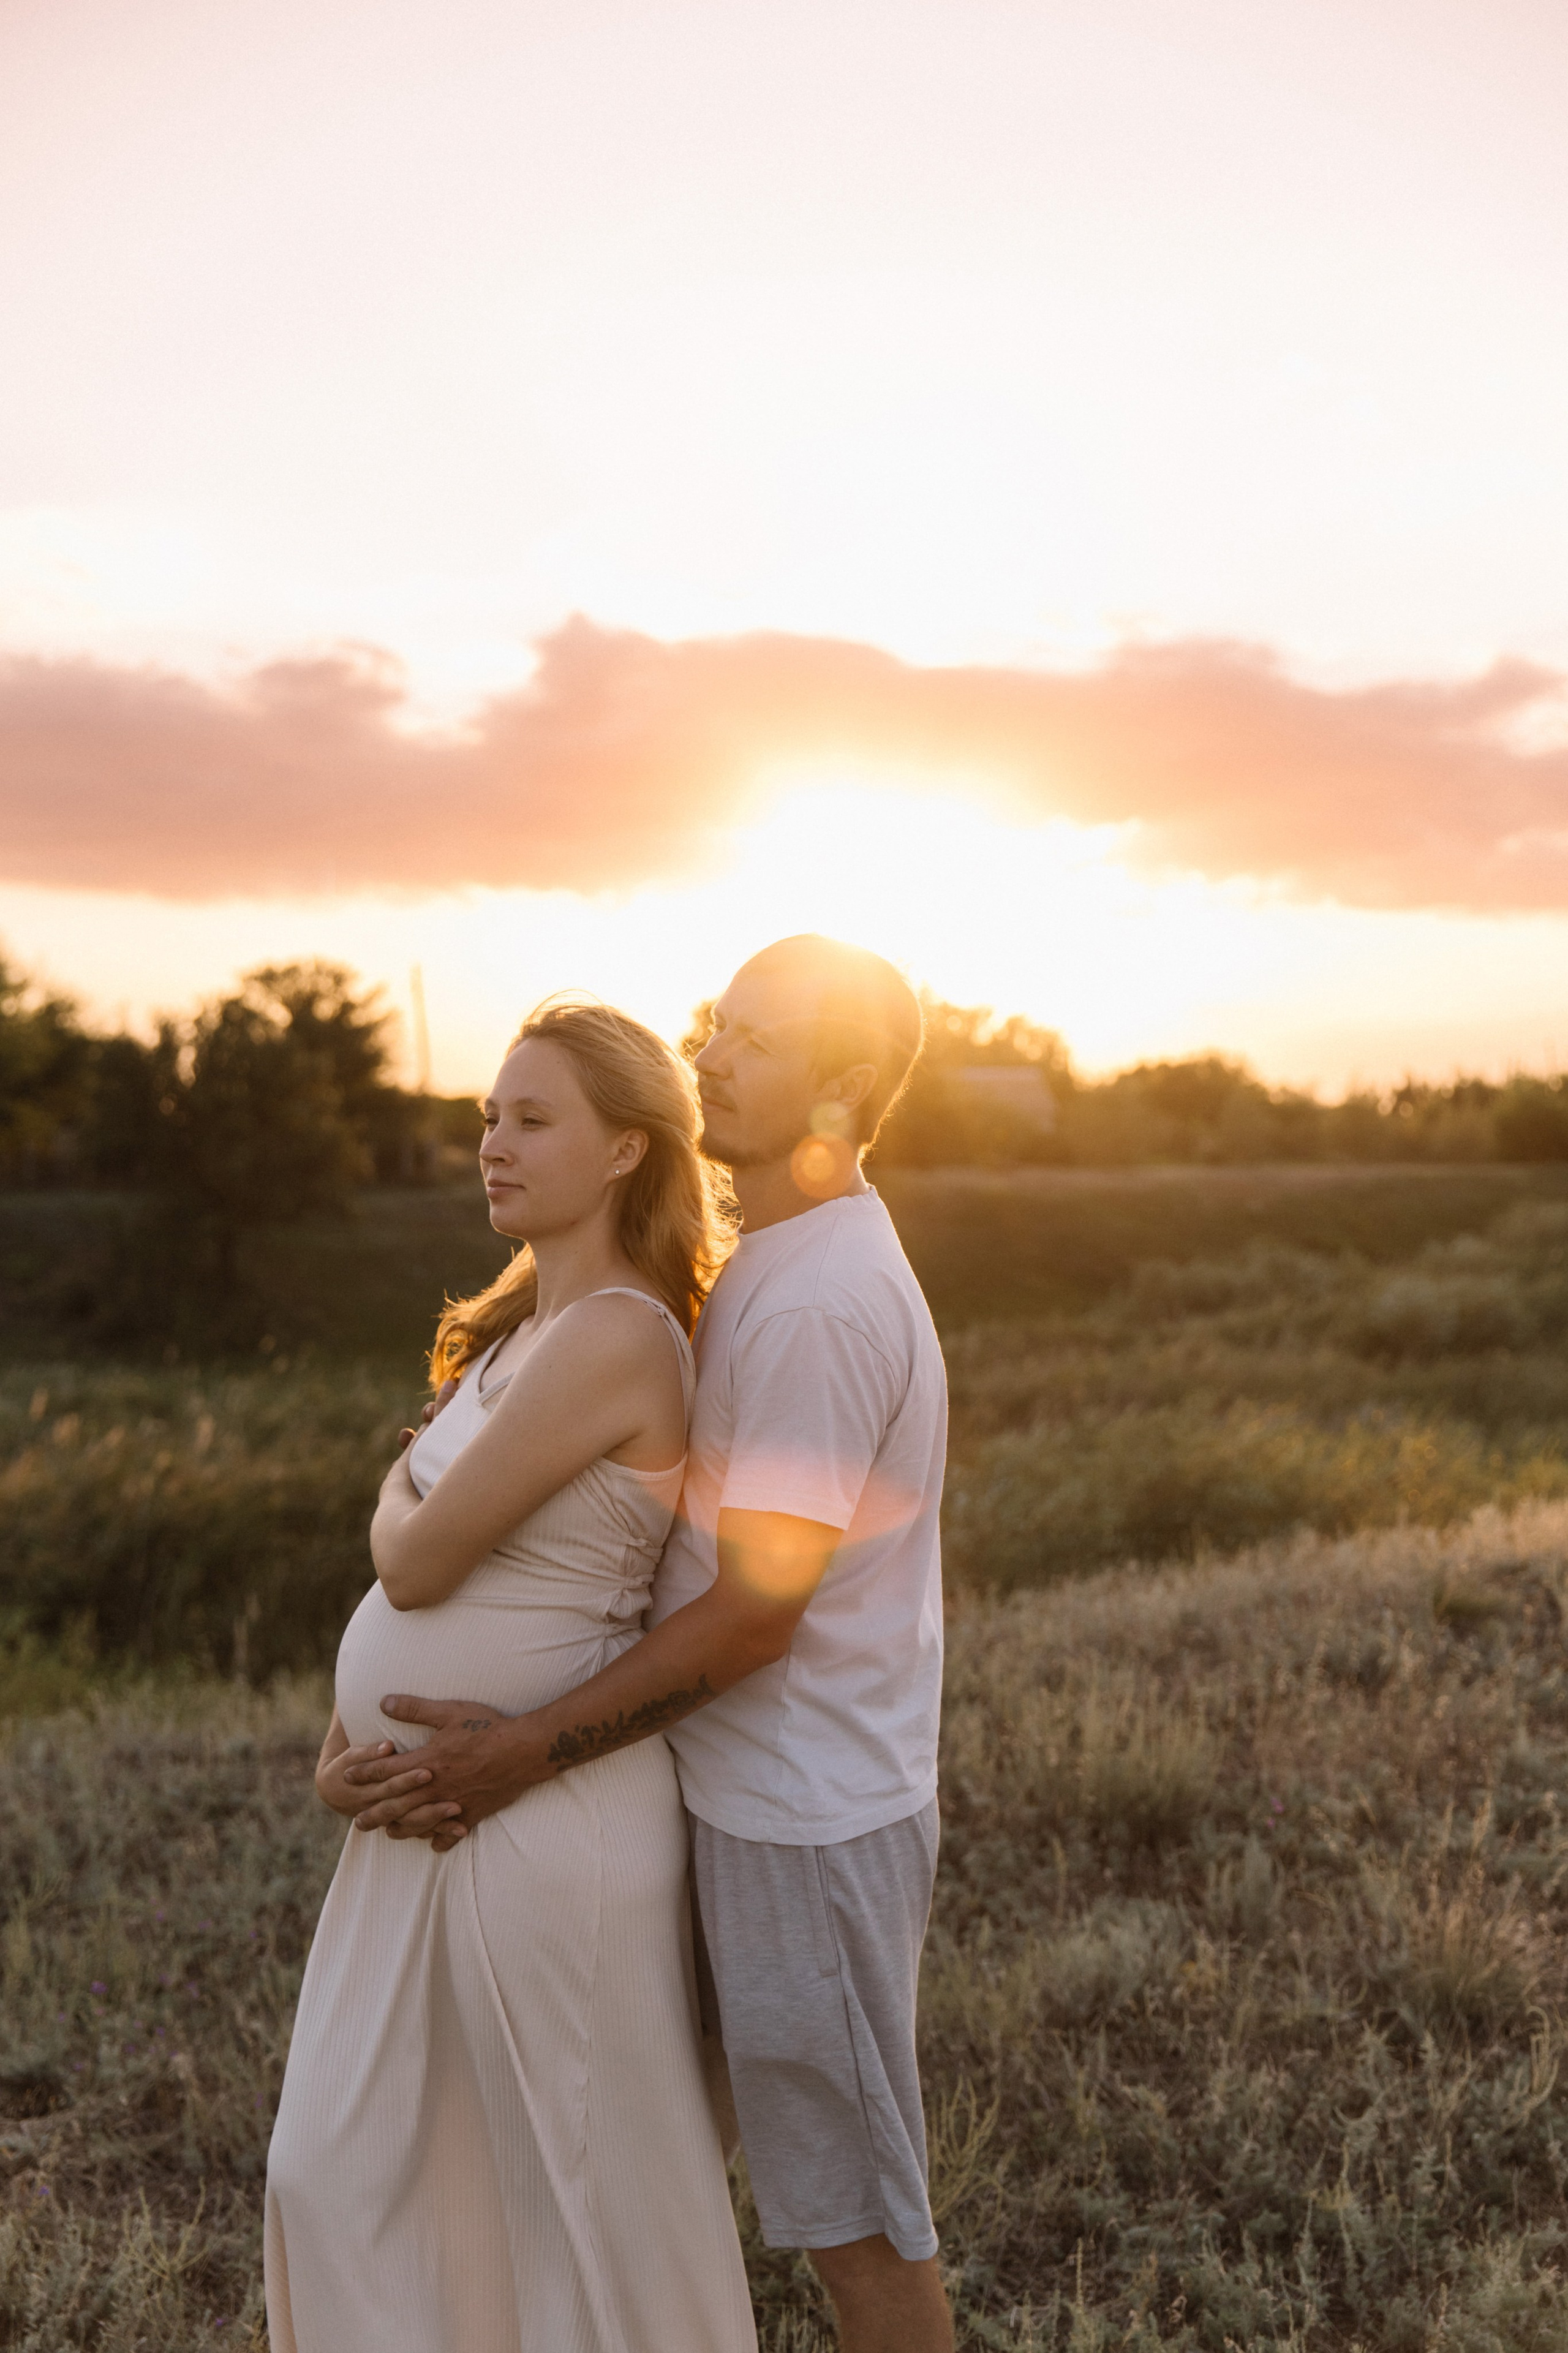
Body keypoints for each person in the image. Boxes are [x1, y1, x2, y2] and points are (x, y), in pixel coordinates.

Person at [342, 937, 954, 2353]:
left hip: (800, 1822)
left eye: (757, 1038)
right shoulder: (767, 1260)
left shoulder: (809, 1303)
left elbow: (755, 1609)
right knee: (649, 2161)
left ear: (848, 1085)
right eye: (712, 1024)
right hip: (721, 1797)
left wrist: (526, 1747)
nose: (713, 1057)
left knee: (853, 2221)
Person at [264, 1000, 756, 2353]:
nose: (491, 1142)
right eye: (489, 1114)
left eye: (531, 1118)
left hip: (552, 1823)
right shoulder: (502, 1337)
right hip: (419, 1817)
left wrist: (388, 1481)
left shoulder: (620, 1334)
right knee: (342, 2169)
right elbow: (420, 1588)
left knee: (584, 2205)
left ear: (623, 1152)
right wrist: (334, 1748)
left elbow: (414, 1566)